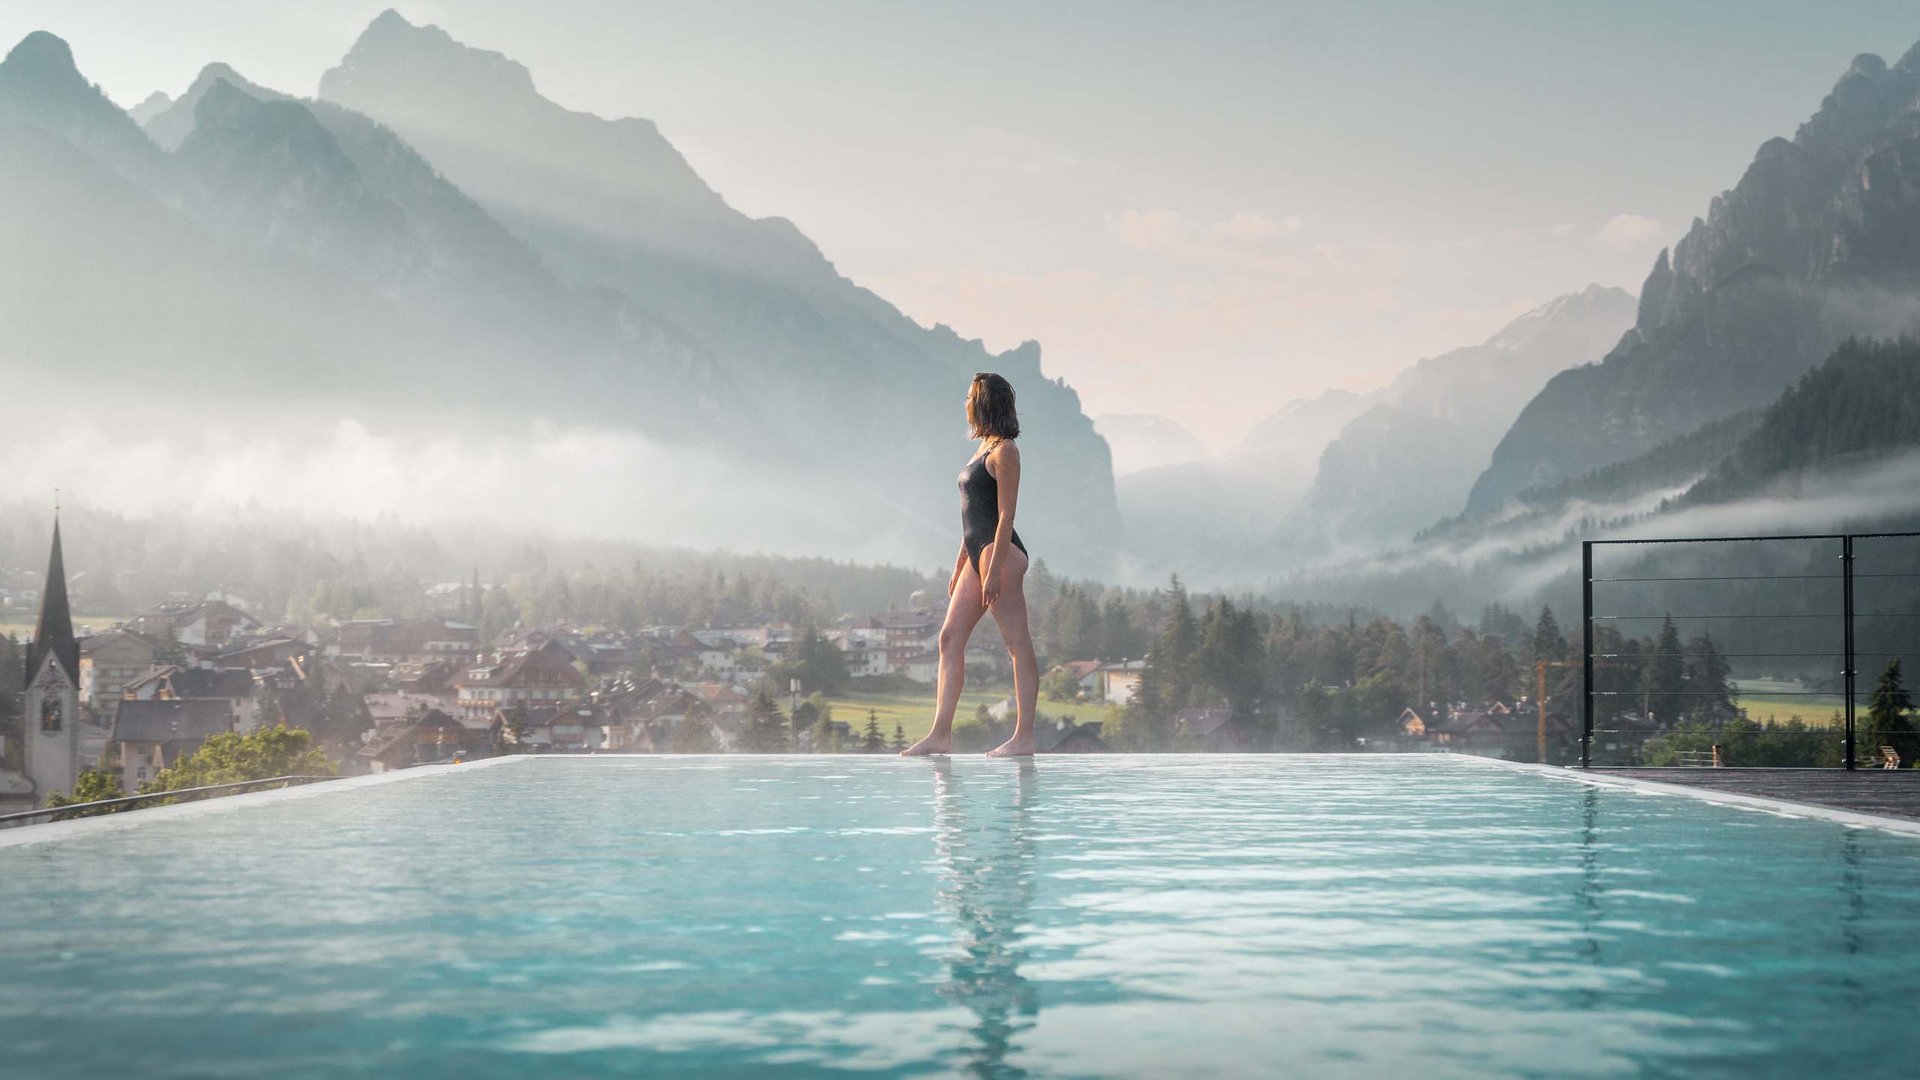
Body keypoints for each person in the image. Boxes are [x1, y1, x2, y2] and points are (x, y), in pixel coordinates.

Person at [902, 372, 1040, 756]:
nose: (964, 403)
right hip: (975, 553)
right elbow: (971, 513)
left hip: (1002, 555)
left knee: (1017, 643)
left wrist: (993, 569)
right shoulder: (982, 448)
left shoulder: (1005, 451)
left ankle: (1024, 737)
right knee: (949, 638)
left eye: (969, 397)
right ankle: (940, 734)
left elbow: (1005, 515)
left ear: (983, 402)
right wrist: (961, 560)